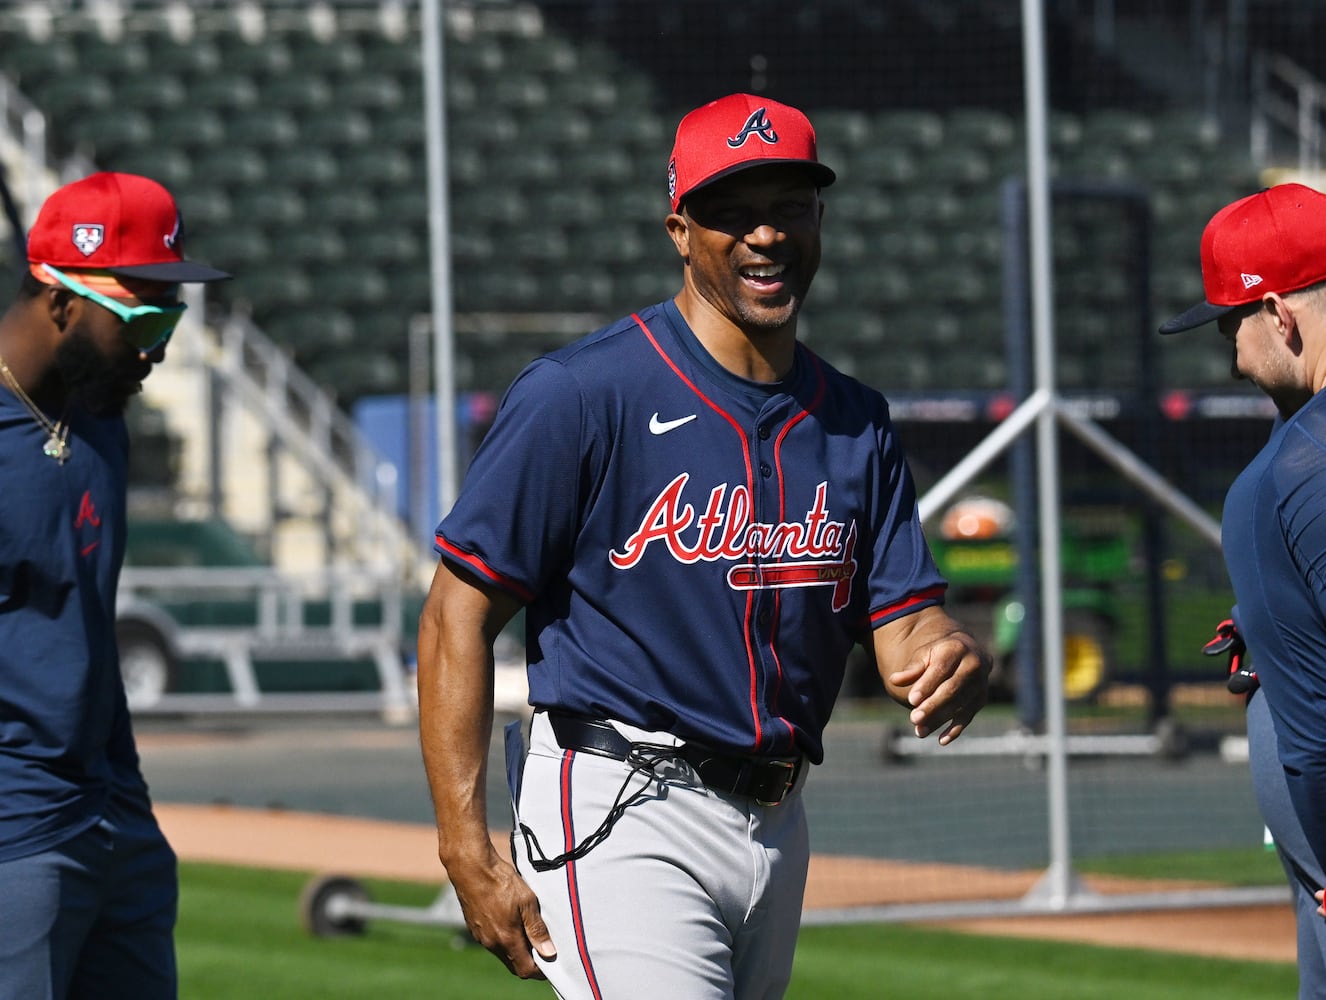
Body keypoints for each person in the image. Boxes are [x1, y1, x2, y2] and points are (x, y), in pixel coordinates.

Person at [416, 93, 991, 999]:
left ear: (820, 221)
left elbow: (905, 630)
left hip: (778, 819)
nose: (766, 234)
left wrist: (952, 653)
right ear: (681, 230)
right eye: (734, 211)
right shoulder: (581, 394)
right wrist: (463, 844)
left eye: (789, 206)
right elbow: (456, 611)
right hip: (619, 802)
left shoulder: (856, 423)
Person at [0, 171, 229, 999]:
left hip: (116, 816)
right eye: (143, 315)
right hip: (16, 836)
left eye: (173, 313)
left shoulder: (97, 414)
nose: (159, 345)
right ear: (59, 303)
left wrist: (126, 802)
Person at [1159, 182, 1326, 998]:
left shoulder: (1292, 475)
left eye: (1233, 326)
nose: (1231, 354)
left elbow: (1318, 742)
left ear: (1281, 317)